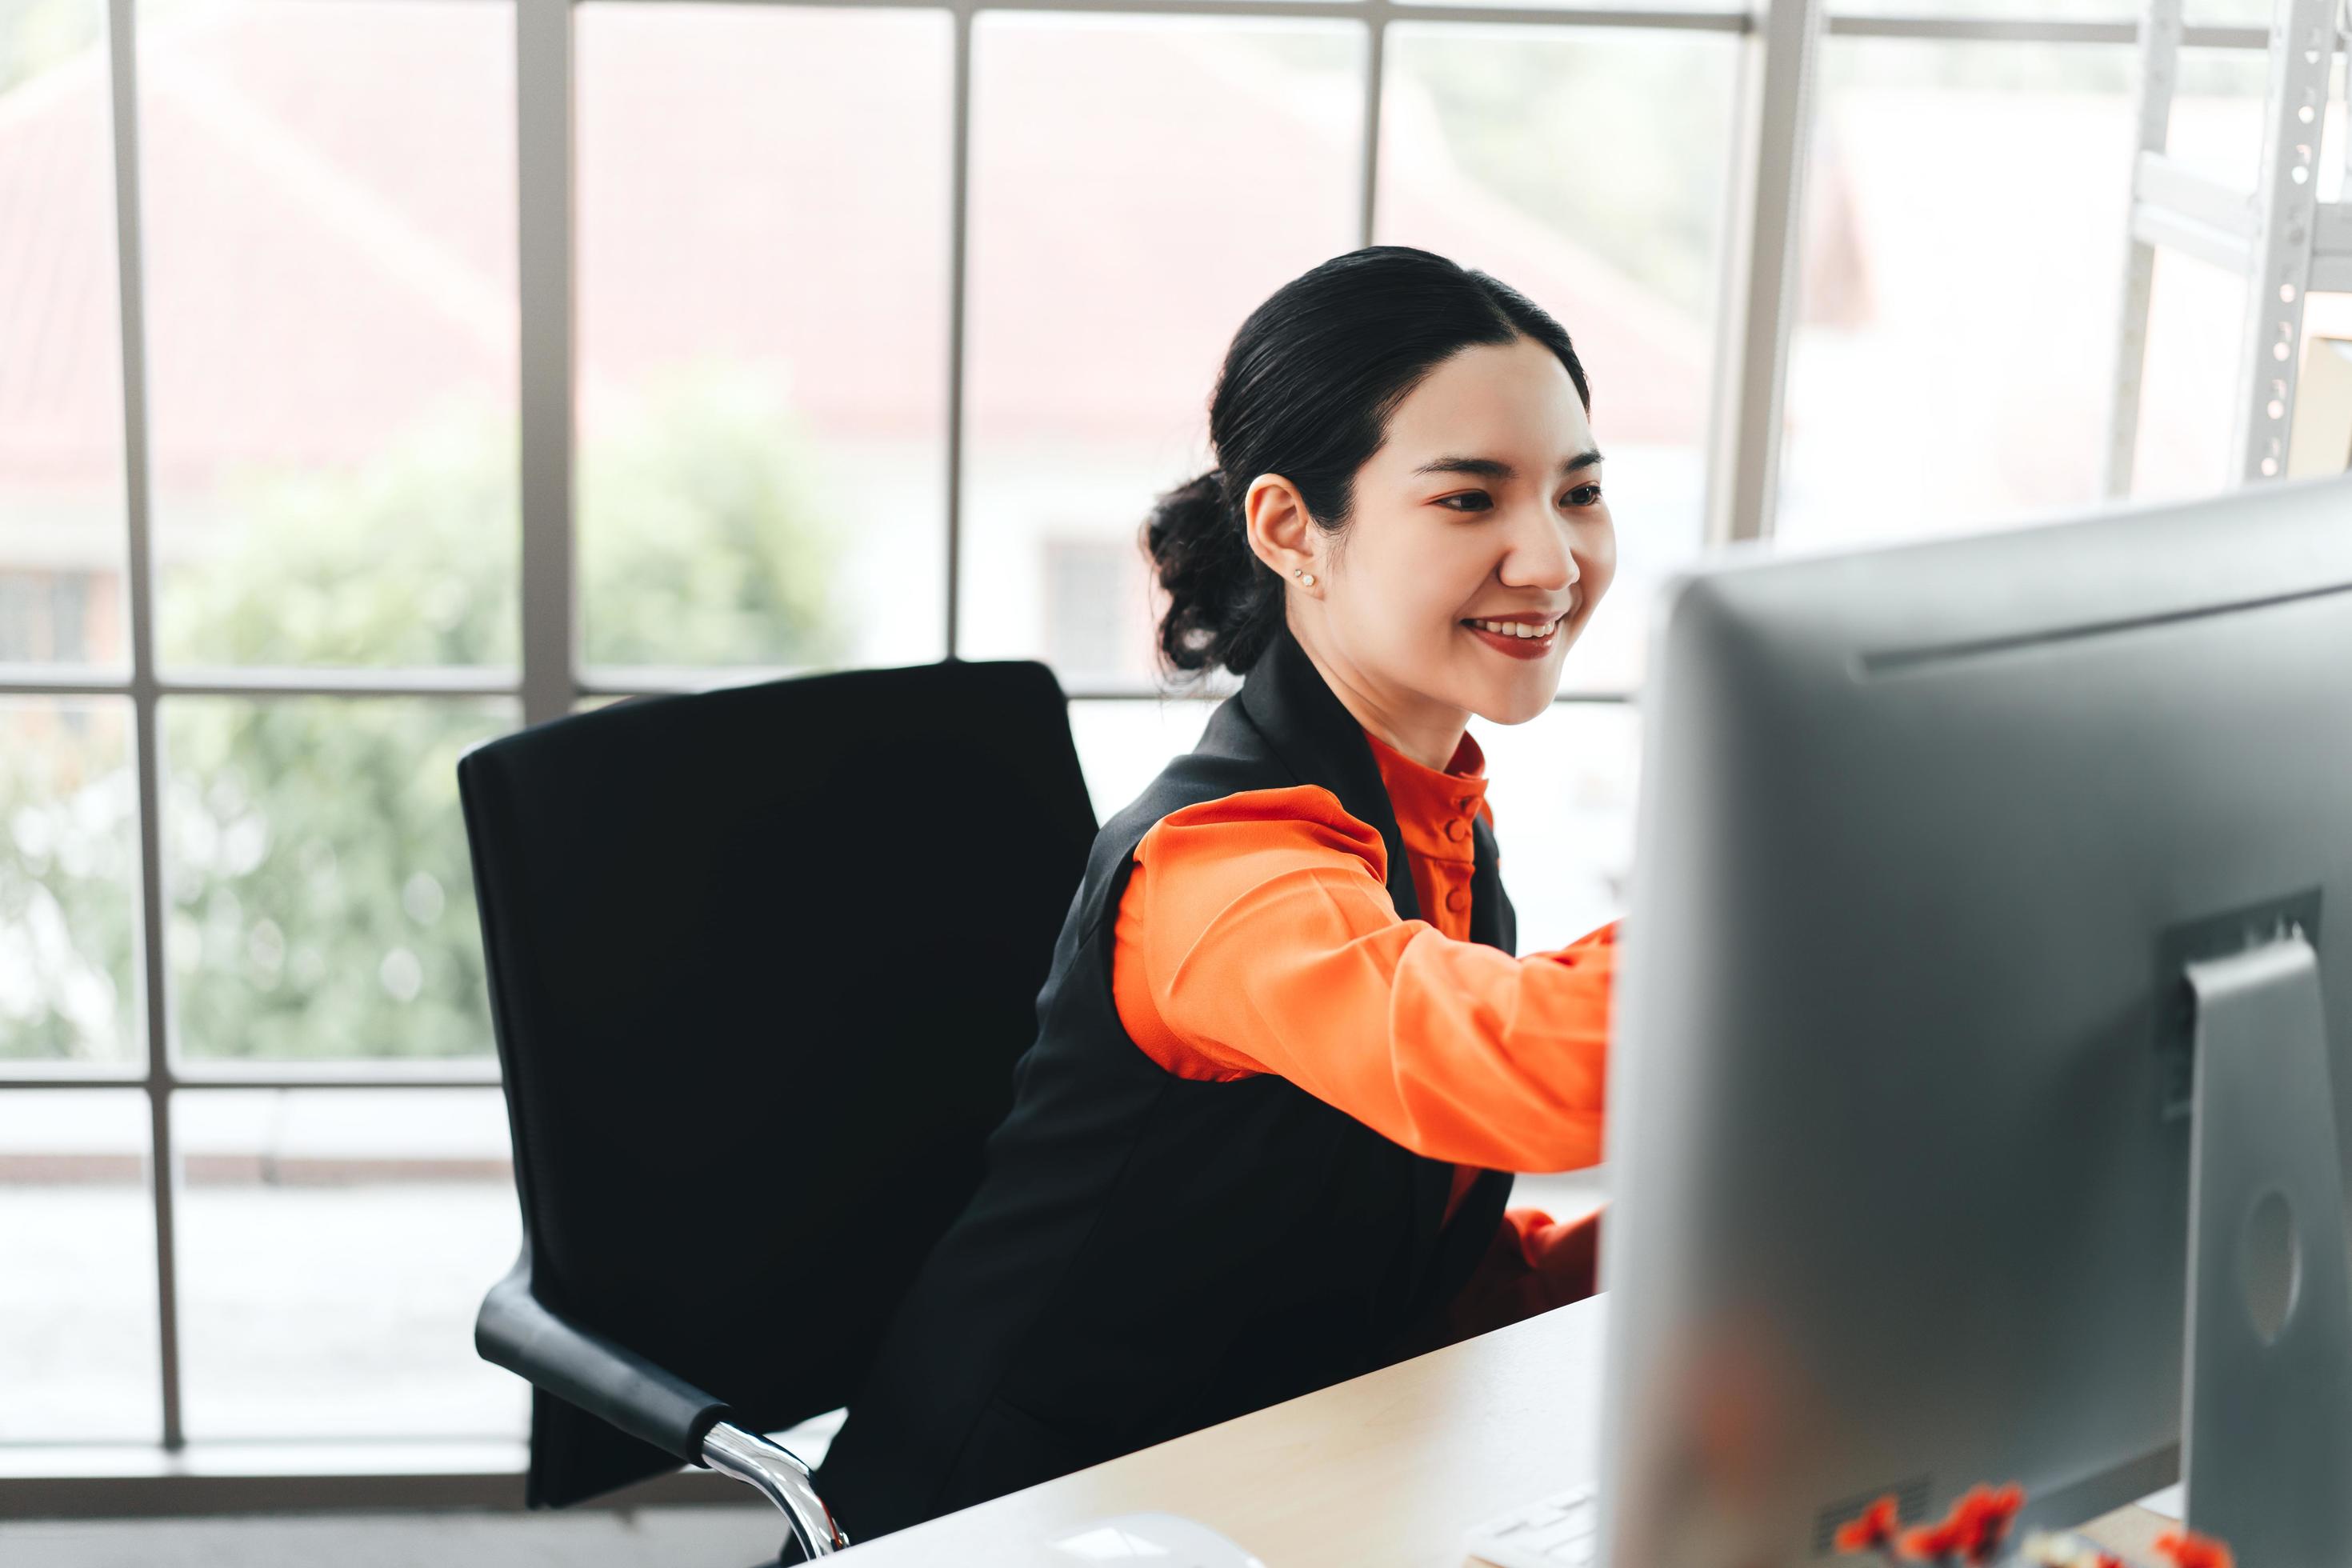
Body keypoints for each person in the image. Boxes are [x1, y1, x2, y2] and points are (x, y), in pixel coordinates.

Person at [814, 245, 1619, 1539]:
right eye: (1471, 502)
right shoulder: (1226, 871)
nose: (1550, 558)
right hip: (1023, 1525)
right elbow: (1537, 1072)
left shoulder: (1432, 820)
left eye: (1578, 493)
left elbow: (1414, 1247)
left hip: (1264, 1479)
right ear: (1293, 530)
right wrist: (1803, 884)